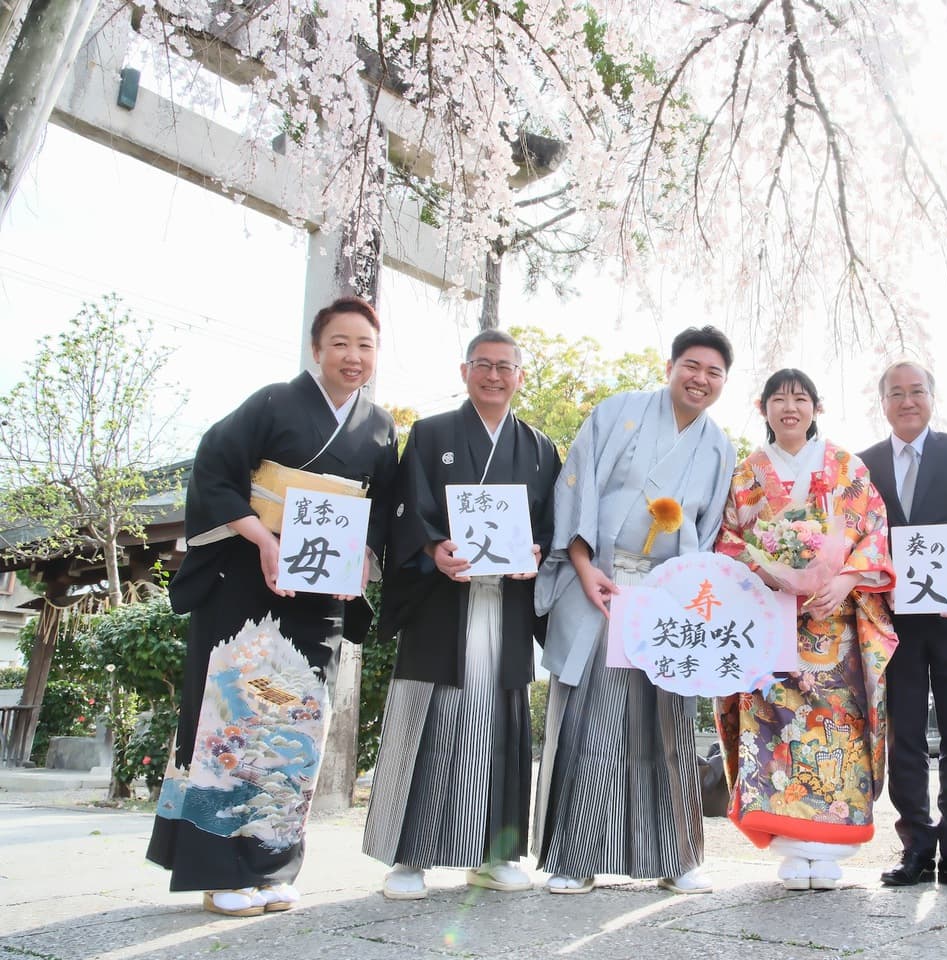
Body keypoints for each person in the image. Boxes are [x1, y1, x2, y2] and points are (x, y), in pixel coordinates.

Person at [147, 296, 399, 917]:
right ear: (317, 349)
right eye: (340, 343)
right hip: (246, 583)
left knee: (296, 724)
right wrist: (262, 538)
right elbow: (214, 470)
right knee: (232, 716)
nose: (352, 356)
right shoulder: (271, 403)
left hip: (319, 594)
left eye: (365, 346)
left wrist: (362, 558)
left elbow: (381, 507)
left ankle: (275, 865)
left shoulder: (380, 427)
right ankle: (218, 869)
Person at [531, 326, 737, 895]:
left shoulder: (719, 447)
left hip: (666, 597)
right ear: (670, 364)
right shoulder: (617, 412)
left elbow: (712, 530)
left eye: (714, 373)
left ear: (723, 382)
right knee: (590, 718)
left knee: (666, 723)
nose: (700, 379)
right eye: (691, 366)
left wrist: (689, 593)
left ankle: (675, 857)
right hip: (600, 581)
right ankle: (575, 858)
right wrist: (581, 564)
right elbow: (575, 489)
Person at [362, 330, 561, 899]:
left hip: (506, 610)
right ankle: (408, 857)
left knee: (498, 729)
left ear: (520, 376)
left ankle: (496, 855)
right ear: (464, 370)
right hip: (441, 605)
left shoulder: (541, 449)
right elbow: (406, 509)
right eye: (483, 365)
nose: (494, 376)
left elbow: (550, 524)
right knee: (426, 723)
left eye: (505, 367)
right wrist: (431, 549)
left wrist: (537, 554)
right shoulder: (430, 435)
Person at [714, 370, 897, 891]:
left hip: (835, 622)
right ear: (763, 407)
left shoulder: (847, 466)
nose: (789, 407)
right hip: (770, 623)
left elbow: (873, 531)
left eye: (800, 398)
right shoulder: (747, 472)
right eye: (778, 399)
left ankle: (830, 848)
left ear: (817, 406)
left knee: (836, 729)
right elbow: (730, 540)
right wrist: (766, 573)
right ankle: (793, 848)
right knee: (774, 727)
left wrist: (845, 578)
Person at [857, 361, 947, 891]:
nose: (908, 400)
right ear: (884, 402)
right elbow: (864, 537)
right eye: (897, 393)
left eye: (917, 391)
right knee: (906, 735)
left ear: (932, 397)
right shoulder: (865, 463)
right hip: (898, 623)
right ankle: (915, 846)